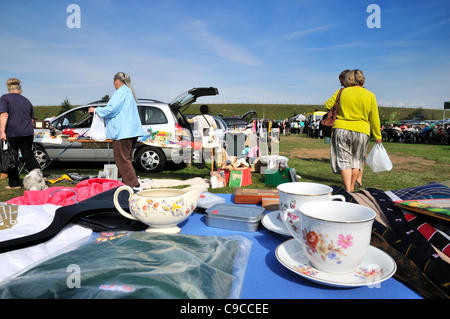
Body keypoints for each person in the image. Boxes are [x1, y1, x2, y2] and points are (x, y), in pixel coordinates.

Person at [324, 69, 382, 192]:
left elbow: (327, 105)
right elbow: (374, 117)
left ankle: (348, 190)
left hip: (341, 129)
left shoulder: (342, 92)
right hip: (362, 130)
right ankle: (352, 190)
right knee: (357, 161)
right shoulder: (370, 95)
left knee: (344, 161)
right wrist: (377, 135)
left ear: (348, 79)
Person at [88, 72, 144, 189]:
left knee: (122, 160)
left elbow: (111, 109)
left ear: (117, 81)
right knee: (126, 159)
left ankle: (134, 185)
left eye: (114, 82)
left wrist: (96, 110)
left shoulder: (121, 92)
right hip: (131, 131)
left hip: (123, 132)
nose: (114, 85)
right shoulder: (128, 92)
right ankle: (127, 185)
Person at [0, 78, 41, 189]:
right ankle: (39, 180)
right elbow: (32, 120)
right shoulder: (26, 100)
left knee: (12, 157)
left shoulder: (4, 98)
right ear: (20, 89)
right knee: (28, 156)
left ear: (8, 89)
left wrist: (2, 131)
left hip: (12, 132)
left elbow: (4, 114)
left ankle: (14, 184)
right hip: (27, 132)